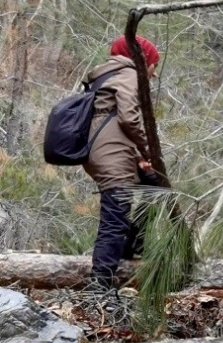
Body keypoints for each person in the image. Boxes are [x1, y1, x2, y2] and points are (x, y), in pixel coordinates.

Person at [84, 35, 162, 293]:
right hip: (112, 156)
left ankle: (132, 252)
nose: (154, 73)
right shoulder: (128, 74)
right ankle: (98, 288)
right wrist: (148, 149)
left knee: (155, 187)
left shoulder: (107, 75)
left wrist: (139, 157)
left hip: (107, 154)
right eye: (153, 64)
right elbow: (129, 117)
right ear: (143, 60)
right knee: (114, 221)